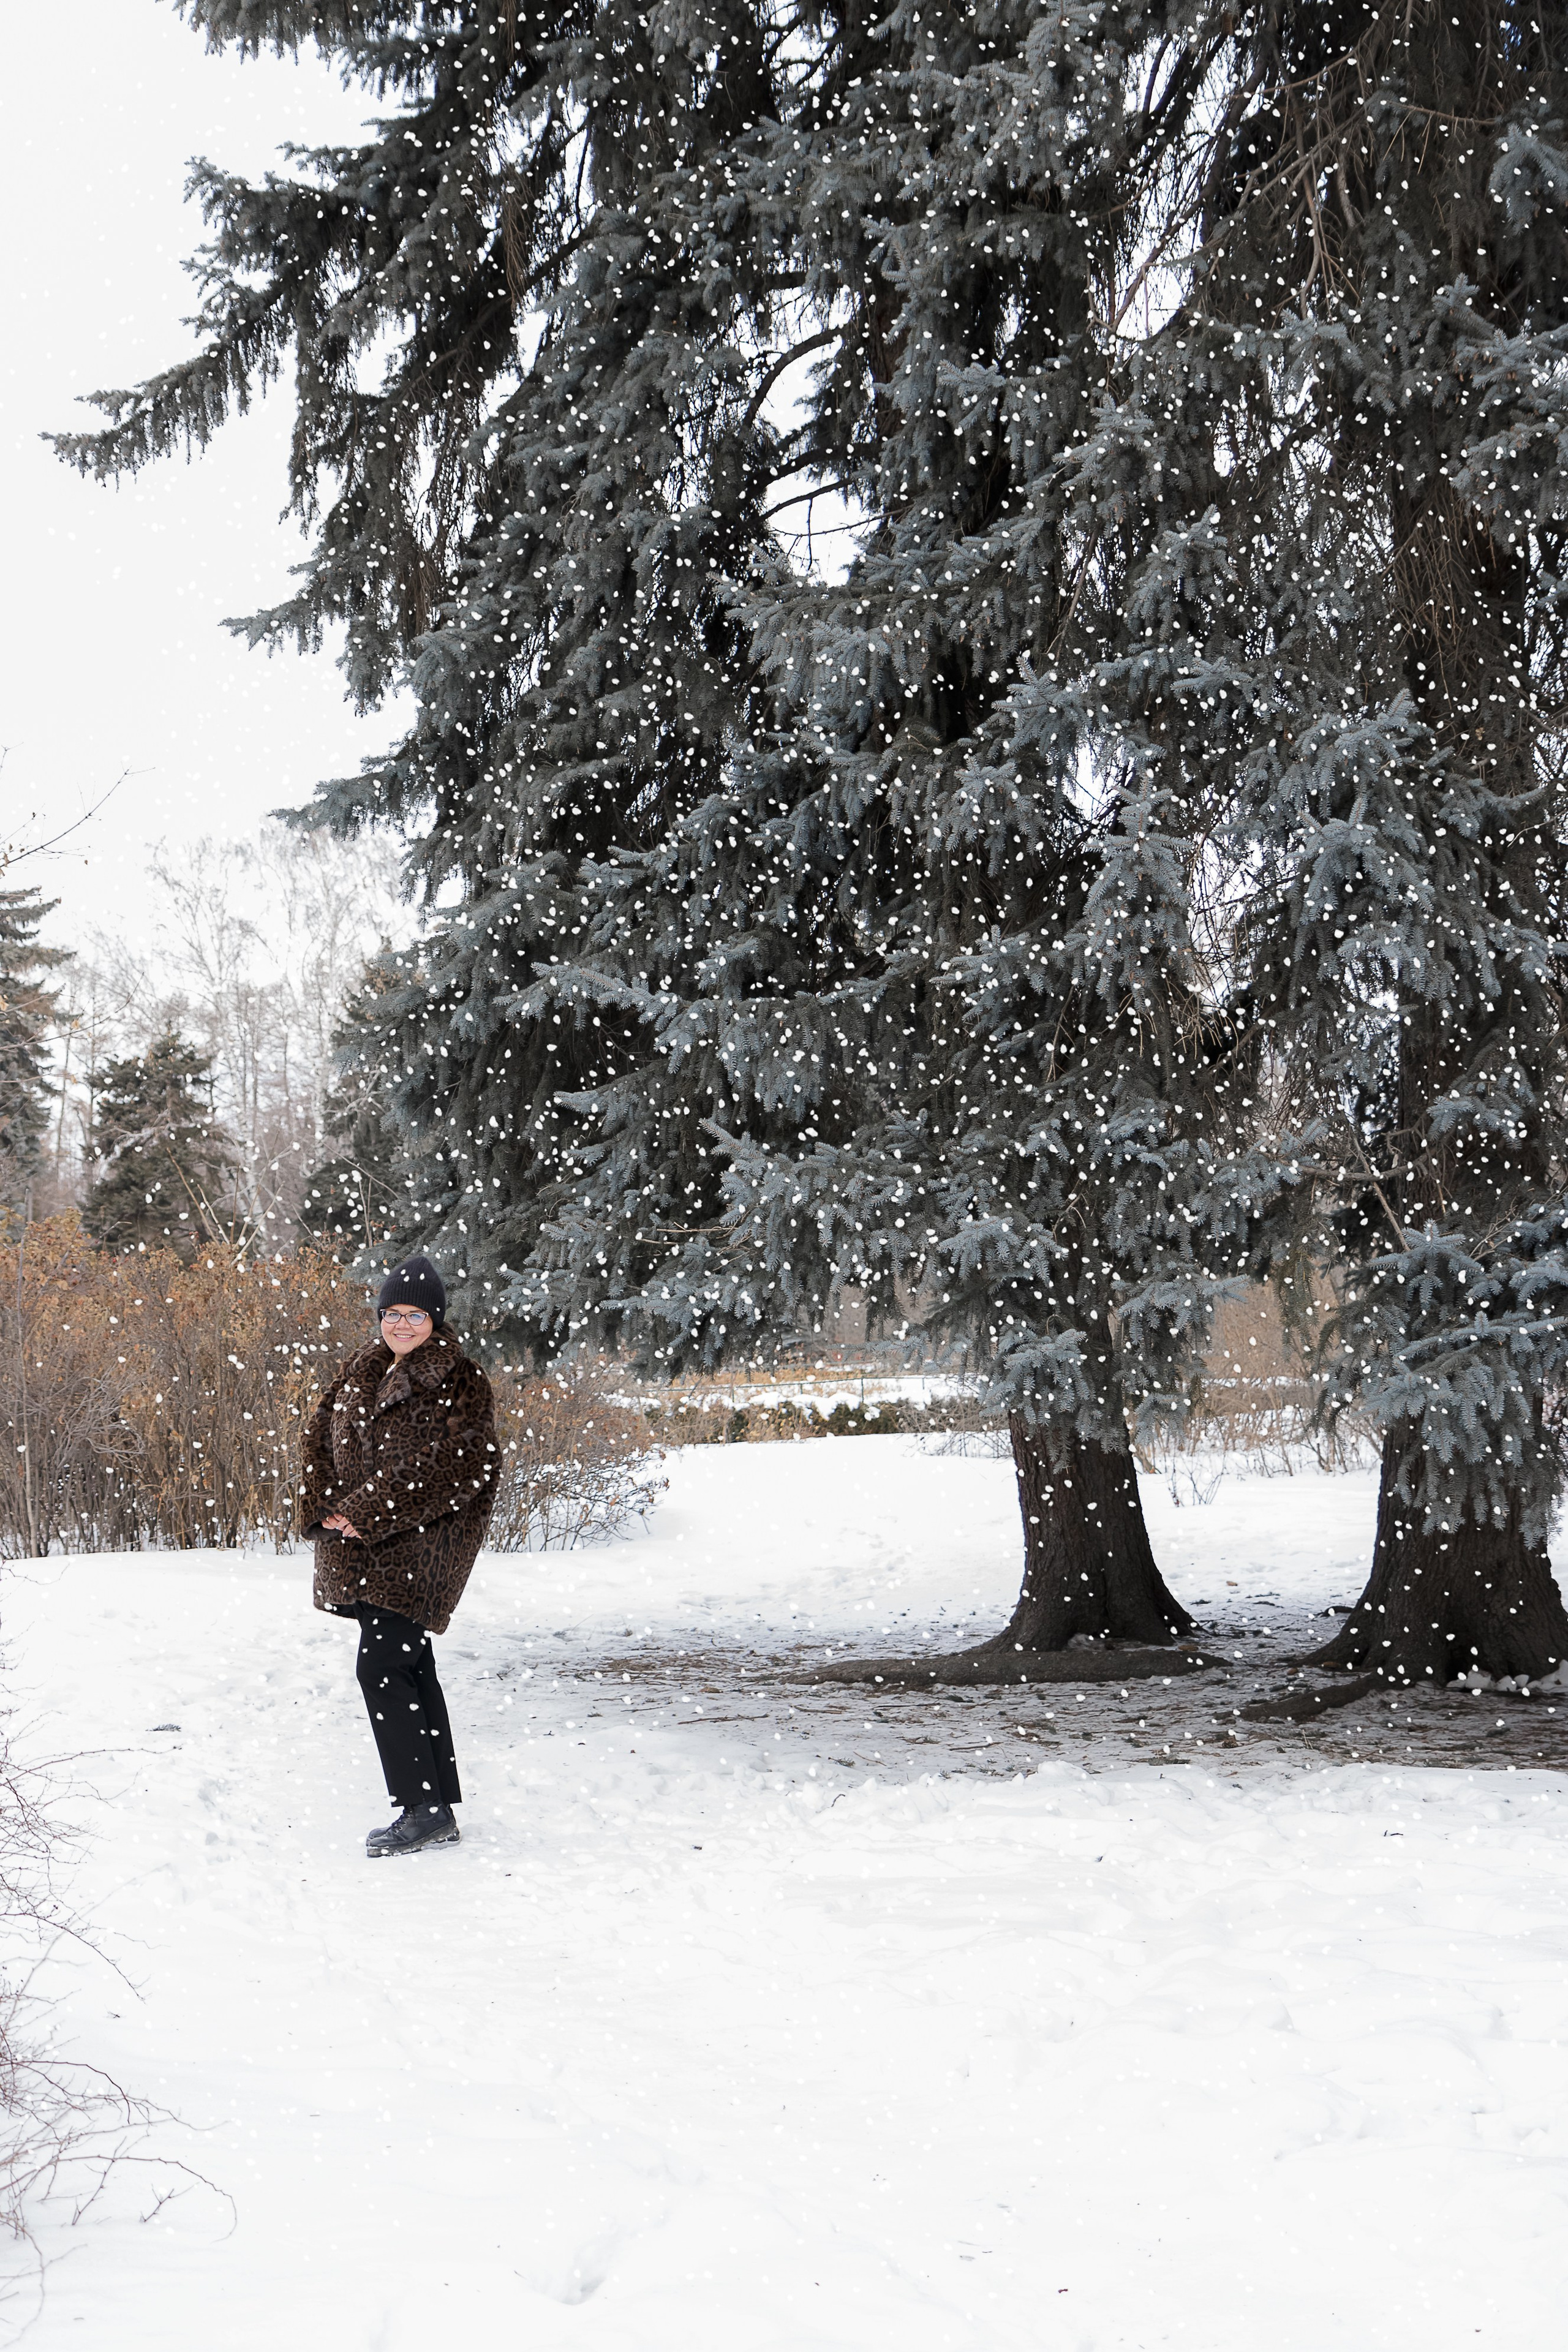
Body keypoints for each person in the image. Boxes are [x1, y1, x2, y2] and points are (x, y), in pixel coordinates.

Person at [298, 1254, 497, 1858]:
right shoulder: (359, 1368)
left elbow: (461, 1465)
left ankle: (423, 1808)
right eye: (393, 1313)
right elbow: (317, 1439)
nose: (402, 1324)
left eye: (415, 1314)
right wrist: (324, 1505)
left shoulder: (461, 1378)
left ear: (434, 1318)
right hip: (360, 1550)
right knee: (410, 1668)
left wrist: (369, 1509)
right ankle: (435, 1806)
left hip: (420, 1551)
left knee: (380, 1669)